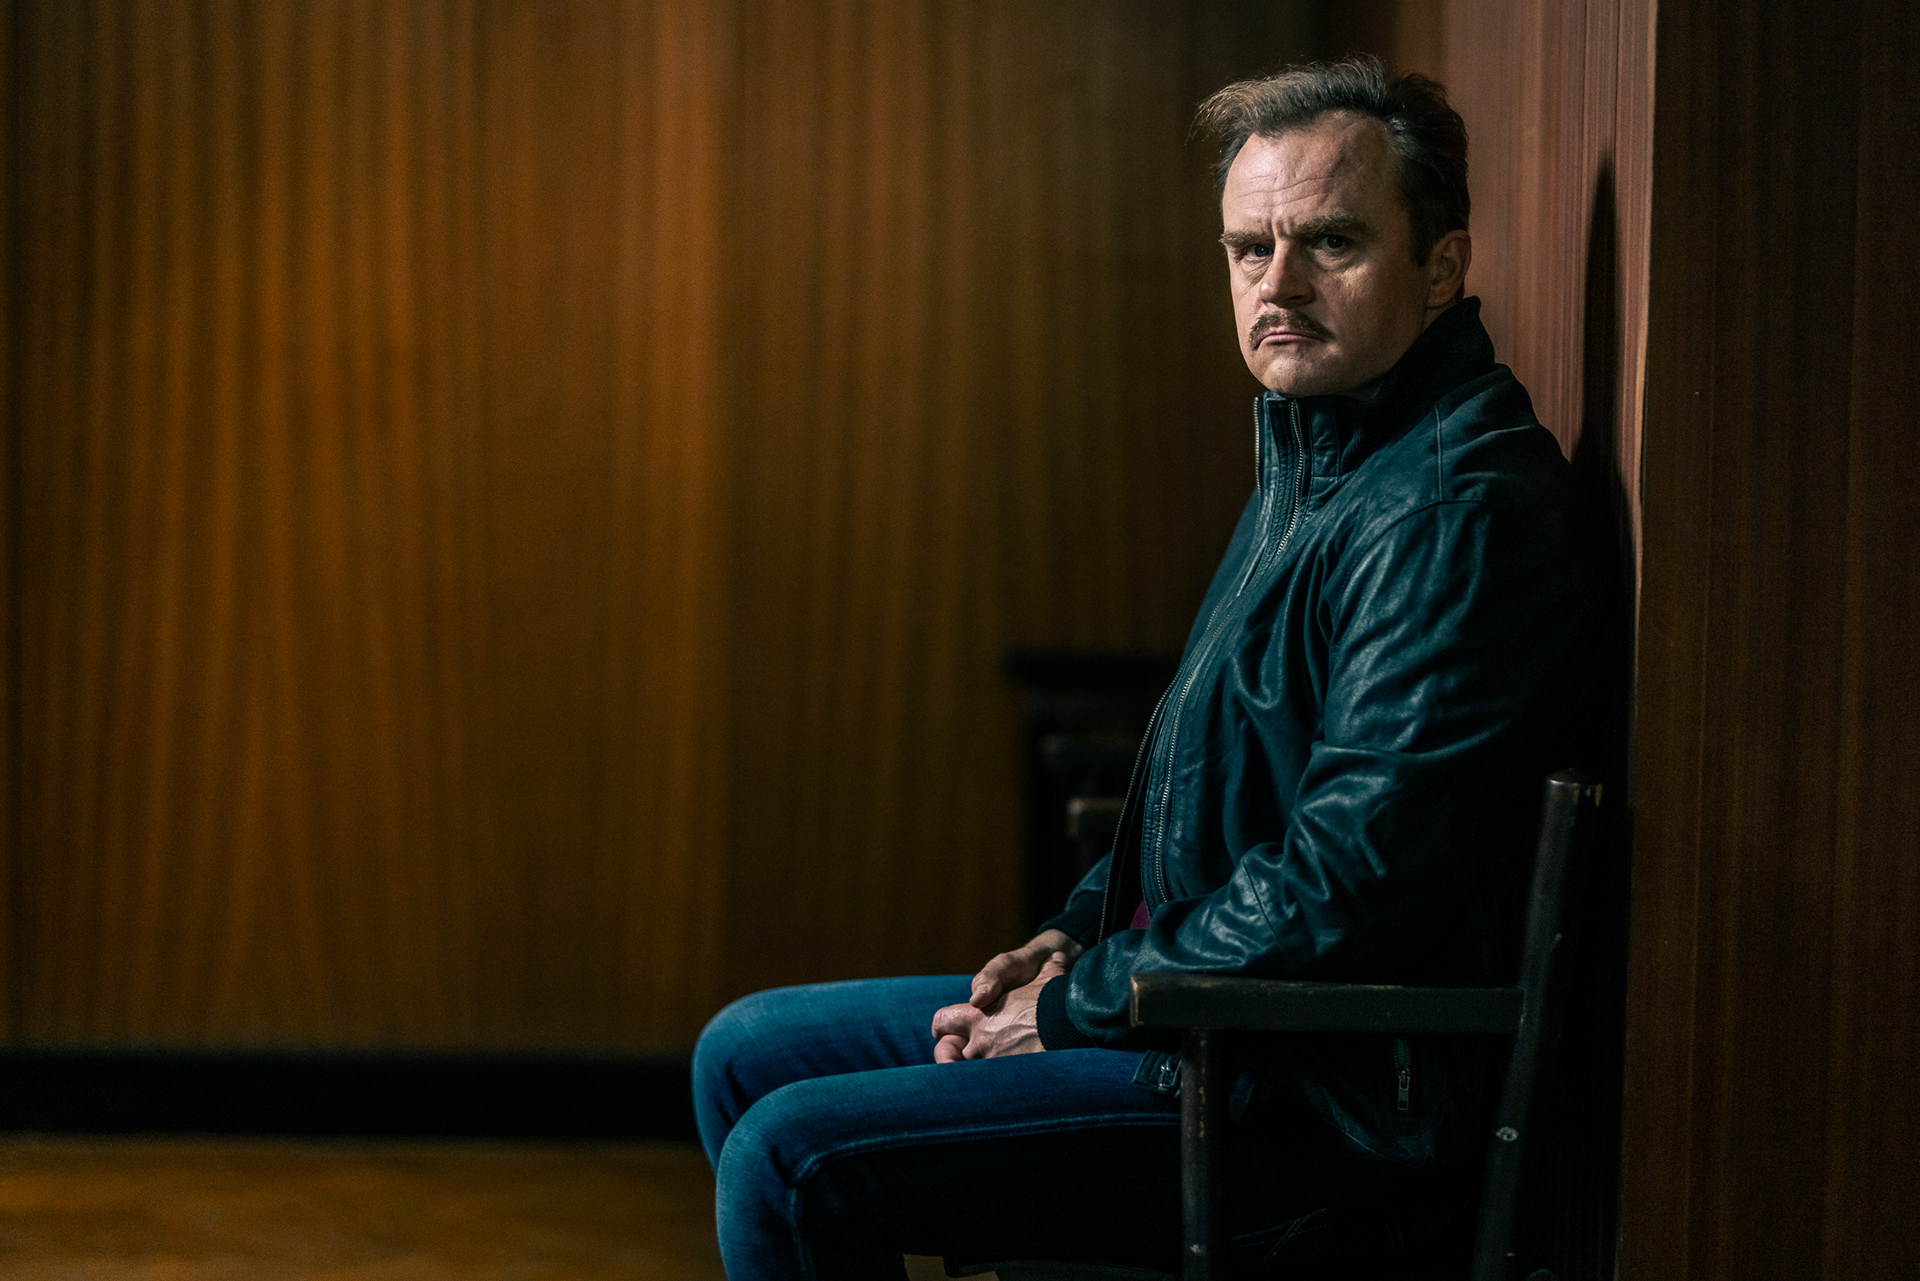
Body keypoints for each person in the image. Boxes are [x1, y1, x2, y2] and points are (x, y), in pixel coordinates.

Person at [693, 57, 1611, 1279]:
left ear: (1441, 266)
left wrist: (1080, 1007)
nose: (1278, 284)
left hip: (1319, 1109)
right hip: (1223, 1029)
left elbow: (1348, 885)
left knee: (788, 1157)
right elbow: (1214, 787)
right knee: (745, 1049)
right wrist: (1074, 936)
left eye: (1331, 242)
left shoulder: (1450, 513)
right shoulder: (1327, 459)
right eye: (1248, 249)